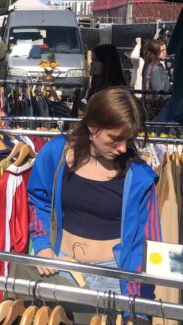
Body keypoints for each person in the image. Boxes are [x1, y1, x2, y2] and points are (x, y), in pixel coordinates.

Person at [27, 86, 161, 297]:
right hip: (58, 269)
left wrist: (139, 303)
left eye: (129, 139)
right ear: (92, 126)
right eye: (115, 138)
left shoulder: (140, 177)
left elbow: (149, 242)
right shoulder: (56, 153)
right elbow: (39, 201)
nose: (123, 148)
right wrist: (42, 245)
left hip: (115, 280)